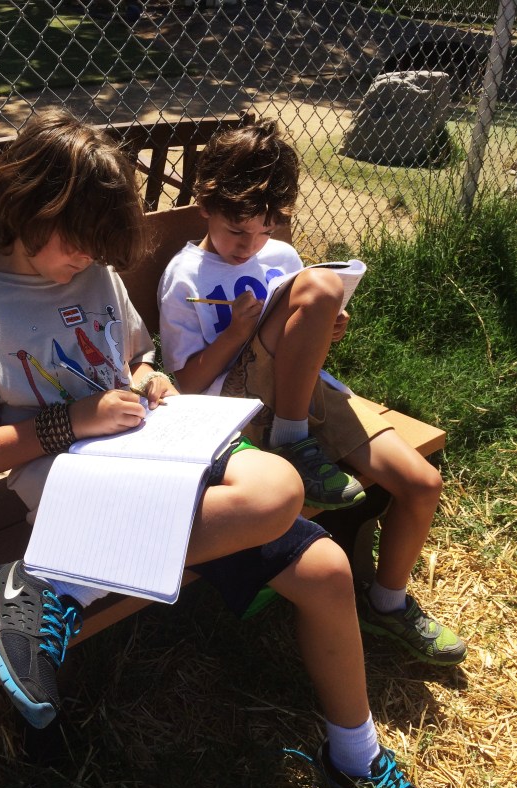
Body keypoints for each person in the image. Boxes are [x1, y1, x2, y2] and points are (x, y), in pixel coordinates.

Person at [0, 111, 452, 788]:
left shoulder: (97, 276)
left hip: (161, 461)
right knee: (278, 490)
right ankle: (53, 575)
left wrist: (149, 379)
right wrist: (71, 421)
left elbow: (134, 359)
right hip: (80, 490)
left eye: (97, 245)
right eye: (75, 239)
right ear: (27, 205)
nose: (86, 257)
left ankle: (353, 756)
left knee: (322, 565)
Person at [158, 118, 466, 669]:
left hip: (306, 392)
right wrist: (234, 333)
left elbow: (301, 338)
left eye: (264, 231)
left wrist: (325, 326)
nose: (250, 245)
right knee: (322, 283)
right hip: (241, 409)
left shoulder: (280, 257)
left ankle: (388, 602)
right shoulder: (185, 275)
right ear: (204, 204)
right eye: (237, 231)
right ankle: (291, 439)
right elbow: (185, 384)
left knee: (423, 483)